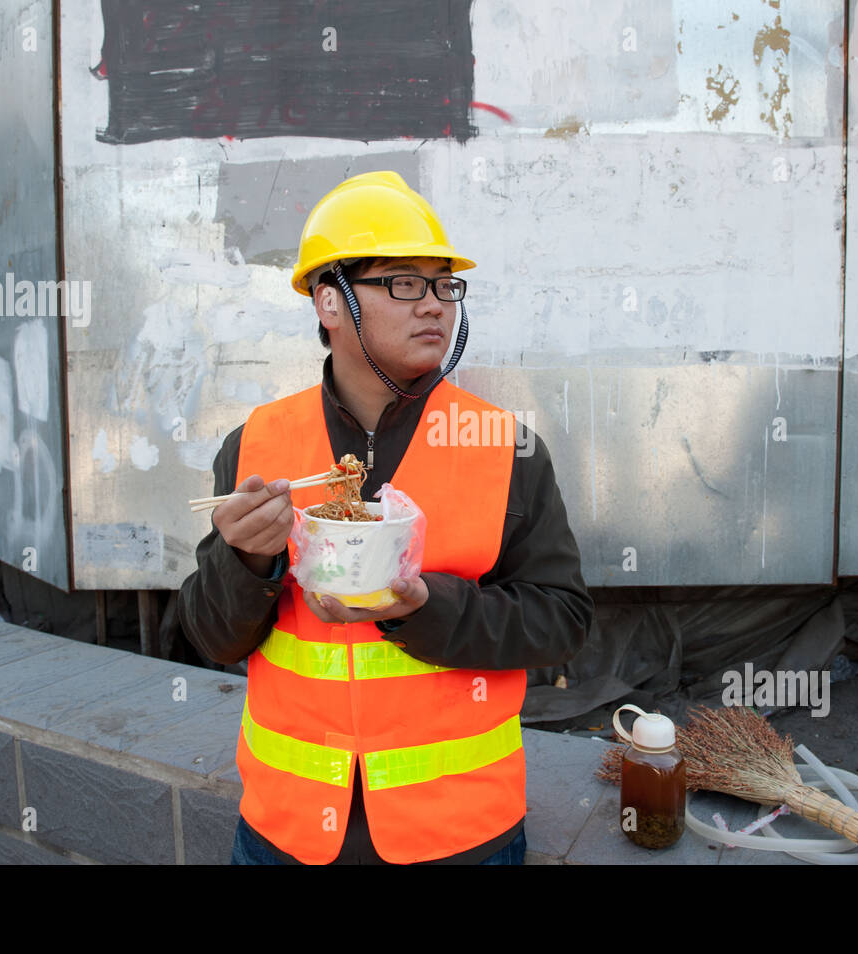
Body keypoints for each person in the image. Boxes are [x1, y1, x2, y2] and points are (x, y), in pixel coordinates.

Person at [178, 171, 592, 865]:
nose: (434, 305)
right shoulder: (255, 446)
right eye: (403, 283)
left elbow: (563, 622)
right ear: (329, 302)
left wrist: (426, 607)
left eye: (444, 284)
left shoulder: (505, 447)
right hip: (287, 832)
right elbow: (210, 638)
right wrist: (244, 562)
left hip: (462, 834)